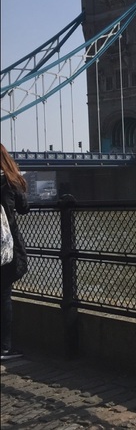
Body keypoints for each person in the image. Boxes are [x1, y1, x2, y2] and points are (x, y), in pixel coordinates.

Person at [1, 143, 30, 360]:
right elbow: (23, 208)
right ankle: (4, 347)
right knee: (4, 296)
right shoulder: (9, 182)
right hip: (5, 249)